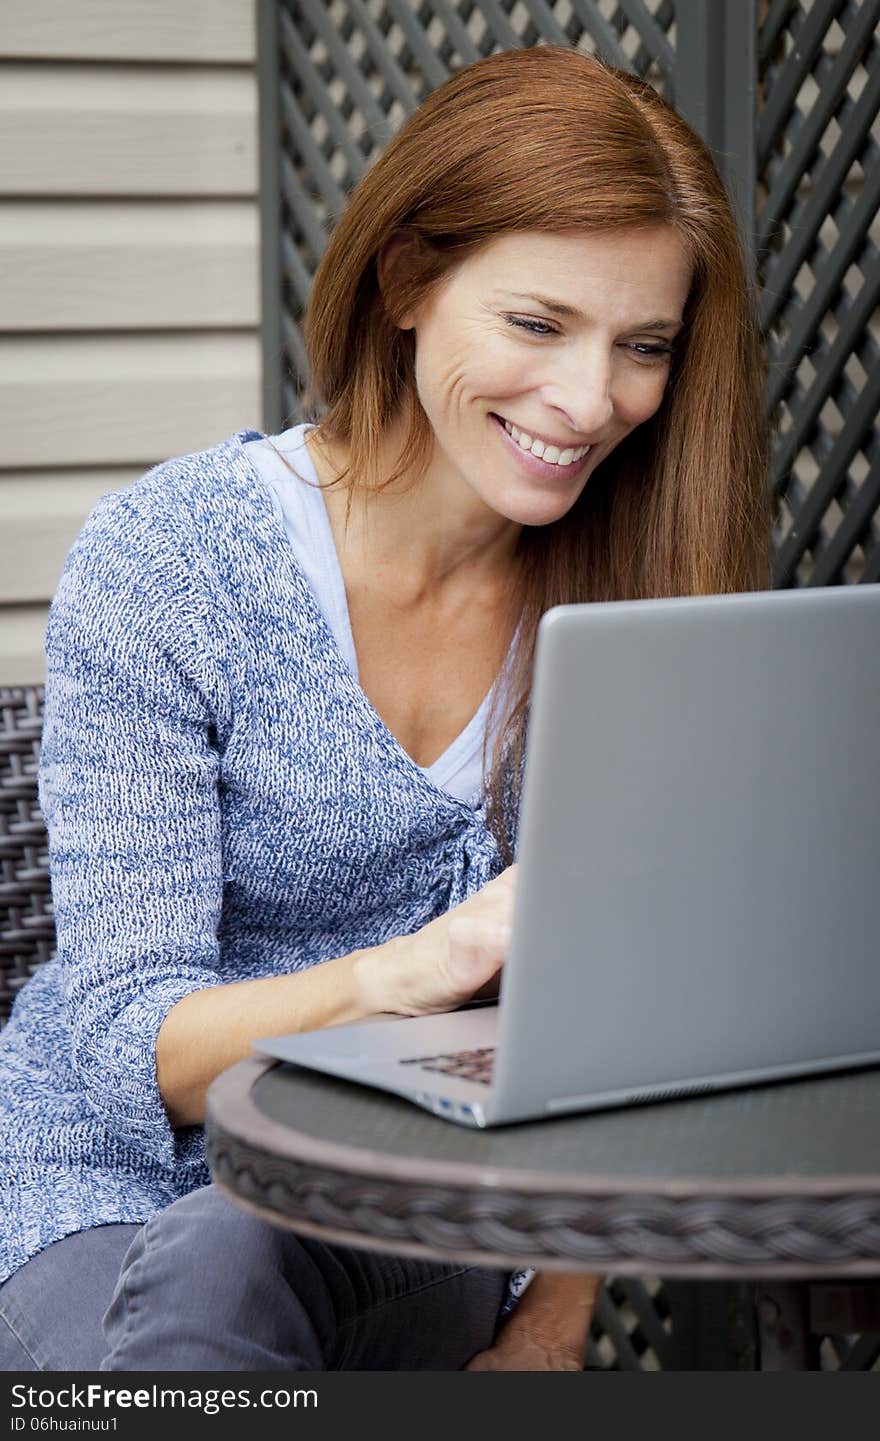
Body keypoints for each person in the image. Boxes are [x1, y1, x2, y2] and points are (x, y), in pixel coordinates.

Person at [0, 44, 769, 1371]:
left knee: (246, 1253)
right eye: (538, 324)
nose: (590, 402)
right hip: (100, 1192)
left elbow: (634, 1025)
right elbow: (138, 1049)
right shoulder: (173, 562)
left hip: (406, 1221)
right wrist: (410, 974)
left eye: (642, 347)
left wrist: (554, 1321)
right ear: (409, 278)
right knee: (213, 1260)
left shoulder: (643, 594)